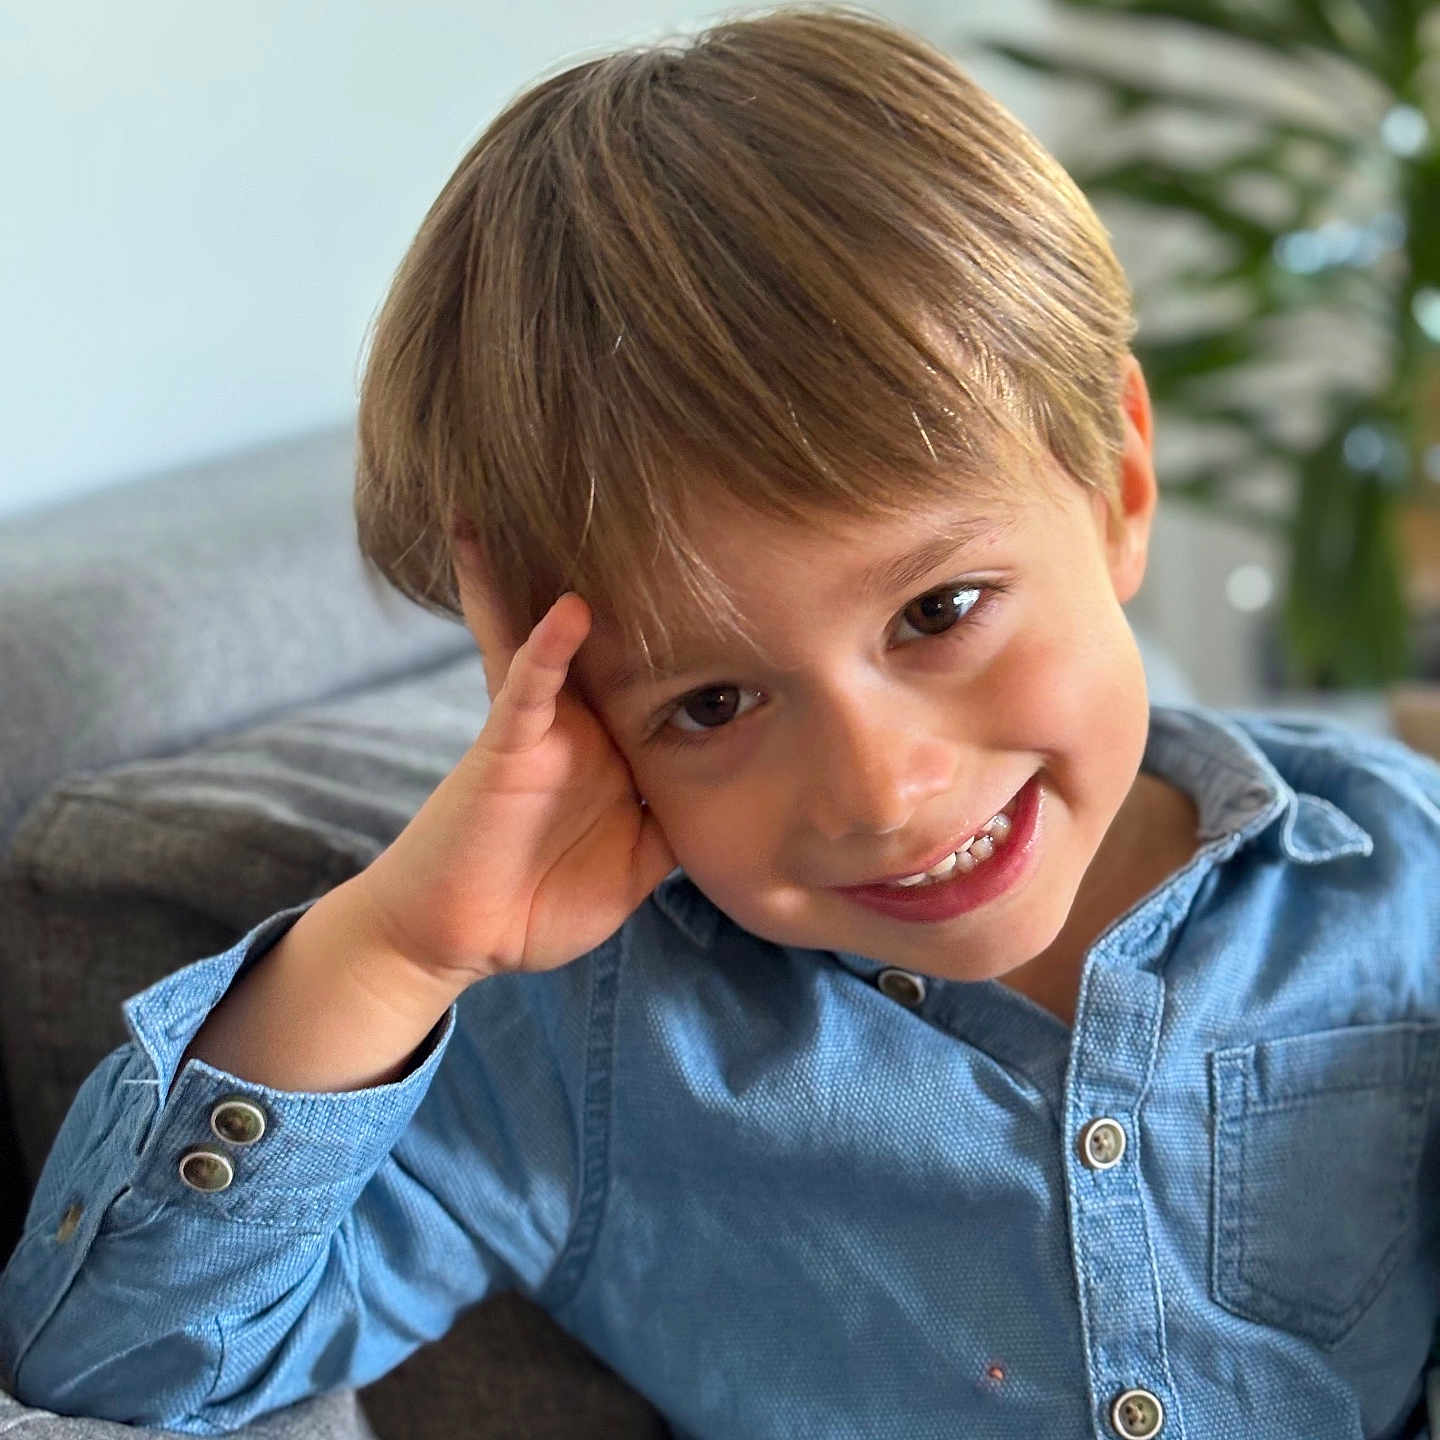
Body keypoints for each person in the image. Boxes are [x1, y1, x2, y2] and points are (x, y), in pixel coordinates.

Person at [3, 6, 1439, 1436]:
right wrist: (392, 947)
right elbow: (128, 1368)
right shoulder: (591, 1048)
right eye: (711, 702)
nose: (881, 786)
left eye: (939, 610)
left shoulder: (1399, 883)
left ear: (1120, 485)